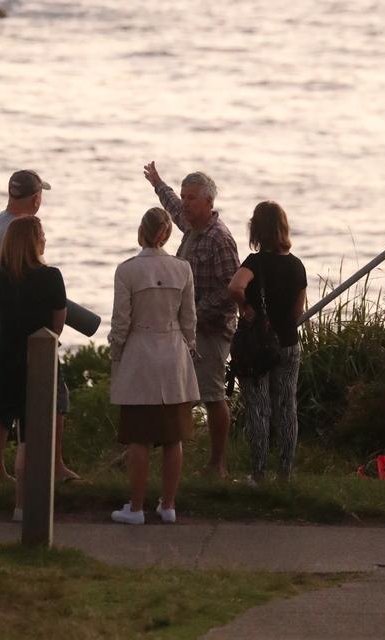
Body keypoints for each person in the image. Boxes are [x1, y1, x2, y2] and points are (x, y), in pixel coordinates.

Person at [144, 162, 239, 478]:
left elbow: (231, 288)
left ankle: (218, 464)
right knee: (182, 392)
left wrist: (193, 316)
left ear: (209, 203)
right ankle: (178, 456)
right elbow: (171, 207)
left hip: (211, 331)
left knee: (212, 395)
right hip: (190, 330)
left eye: (192, 198)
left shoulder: (219, 238)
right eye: (184, 197)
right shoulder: (192, 226)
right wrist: (158, 183)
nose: (184, 203)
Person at [0, 168, 78, 482]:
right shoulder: (26, 235)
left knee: (0, 411)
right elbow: (55, 317)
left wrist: (2, 328)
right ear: (36, 199)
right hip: (32, 340)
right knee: (53, 402)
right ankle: (50, 467)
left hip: (2, 335)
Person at [109, 207, 198, 524]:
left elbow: (122, 321)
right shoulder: (182, 269)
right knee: (173, 436)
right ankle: (169, 504)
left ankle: (135, 507)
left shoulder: (127, 270)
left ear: (141, 231)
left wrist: (116, 352)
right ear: (167, 234)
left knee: (139, 436)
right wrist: (190, 347)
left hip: (140, 353)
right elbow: (189, 320)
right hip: (173, 354)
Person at [0, 215, 67, 519]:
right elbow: (57, 324)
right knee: (29, 431)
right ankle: (21, 506)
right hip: (37, 354)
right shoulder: (51, 276)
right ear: (35, 240)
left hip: (5, 351)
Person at [227, 201, 307, 480]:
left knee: (258, 408)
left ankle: (258, 473)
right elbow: (298, 311)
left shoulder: (255, 263)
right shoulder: (297, 266)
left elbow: (235, 286)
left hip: (257, 347)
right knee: (286, 407)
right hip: (288, 344)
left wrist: (247, 310)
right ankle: (286, 472)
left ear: (257, 230)